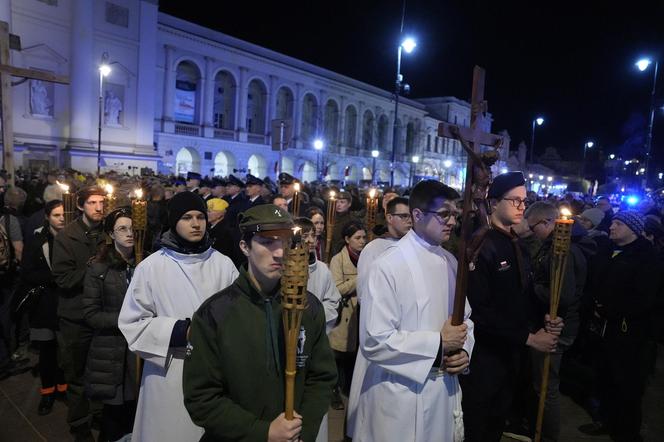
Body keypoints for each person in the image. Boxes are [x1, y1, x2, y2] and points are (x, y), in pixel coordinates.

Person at [182, 204, 337, 442]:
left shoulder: (307, 307)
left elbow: (321, 378)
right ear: (245, 247)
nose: (279, 252)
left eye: (285, 242)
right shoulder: (216, 313)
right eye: (267, 242)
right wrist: (262, 432)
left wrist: (300, 431)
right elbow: (201, 398)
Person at [347, 180, 474, 442]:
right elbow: (374, 339)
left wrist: (464, 350)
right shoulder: (387, 265)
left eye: (454, 214)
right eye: (444, 214)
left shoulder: (450, 262)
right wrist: (438, 344)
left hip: (442, 390)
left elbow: (466, 319)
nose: (451, 221)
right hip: (399, 395)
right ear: (417, 215)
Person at [118, 191, 239, 442]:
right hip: (170, 368)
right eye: (186, 217)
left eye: (200, 217)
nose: (196, 224)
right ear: (174, 221)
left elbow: (239, 315)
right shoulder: (152, 267)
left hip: (215, 370)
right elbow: (132, 322)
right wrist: (180, 332)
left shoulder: (223, 264)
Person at [460, 172, 561, 442]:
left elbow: (521, 296)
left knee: (497, 422)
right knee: (477, 426)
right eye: (514, 200)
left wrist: (544, 320)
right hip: (484, 356)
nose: (521, 207)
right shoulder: (481, 245)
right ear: (493, 204)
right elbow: (479, 312)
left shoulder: (519, 245)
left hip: (512, 354)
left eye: (524, 201)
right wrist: (529, 338)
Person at [579, 211, 660, 441]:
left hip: (630, 334)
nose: (611, 227)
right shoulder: (608, 250)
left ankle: (627, 432)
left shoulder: (647, 257)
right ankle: (606, 420)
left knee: (628, 386)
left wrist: (610, 309)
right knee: (605, 378)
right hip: (604, 329)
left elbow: (644, 297)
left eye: (618, 223)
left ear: (632, 229)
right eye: (612, 222)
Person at [524, 201, 594, 442]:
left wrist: (533, 286)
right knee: (542, 384)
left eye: (534, 228)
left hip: (556, 325)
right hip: (554, 321)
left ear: (546, 222)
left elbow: (562, 295)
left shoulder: (561, 249)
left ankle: (547, 435)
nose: (533, 233)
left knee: (545, 387)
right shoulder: (555, 245)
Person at [52, 185, 107, 440]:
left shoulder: (106, 232)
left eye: (102, 202)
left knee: (99, 371)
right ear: (81, 206)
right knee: (76, 374)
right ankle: (80, 424)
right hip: (76, 316)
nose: (99, 207)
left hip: (101, 313)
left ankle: (97, 414)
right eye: (93, 203)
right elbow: (63, 279)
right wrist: (92, 269)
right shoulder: (67, 236)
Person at [82, 208, 137, 442]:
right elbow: (91, 313)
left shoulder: (146, 263)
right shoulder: (99, 268)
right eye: (122, 229)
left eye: (133, 228)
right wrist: (127, 320)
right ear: (111, 235)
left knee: (138, 415)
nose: (129, 234)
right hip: (111, 349)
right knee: (114, 419)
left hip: (138, 352)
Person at [19, 200, 66, 415]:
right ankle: (48, 392)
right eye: (56, 215)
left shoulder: (71, 238)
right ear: (47, 217)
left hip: (65, 304)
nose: (61, 218)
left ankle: (64, 388)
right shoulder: (37, 239)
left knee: (65, 352)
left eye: (63, 214)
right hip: (44, 305)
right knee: (47, 352)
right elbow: (27, 272)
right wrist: (53, 277)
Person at [328, 221, 366, 410]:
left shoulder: (366, 258)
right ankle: (334, 390)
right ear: (347, 239)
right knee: (338, 354)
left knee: (354, 354)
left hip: (361, 312)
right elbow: (338, 288)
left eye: (364, 237)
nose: (362, 242)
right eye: (357, 238)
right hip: (344, 313)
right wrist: (360, 278)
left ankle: (349, 387)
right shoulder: (338, 260)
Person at [356, 196, 412, 302]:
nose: (409, 221)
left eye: (411, 216)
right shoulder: (373, 248)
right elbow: (363, 292)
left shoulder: (414, 246)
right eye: (404, 216)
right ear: (389, 218)